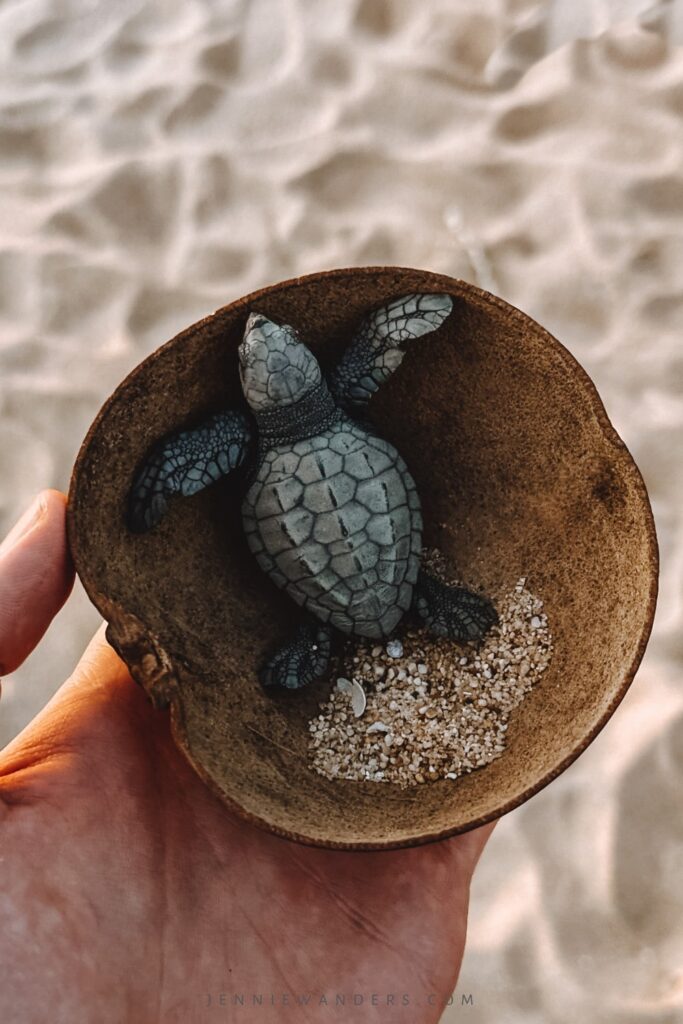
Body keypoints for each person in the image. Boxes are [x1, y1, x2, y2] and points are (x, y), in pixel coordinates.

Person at [0, 490, 494, 1022]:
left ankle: (322, 636)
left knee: (313, 590)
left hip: (327, 581)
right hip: (390, 559)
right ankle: (403, 602)